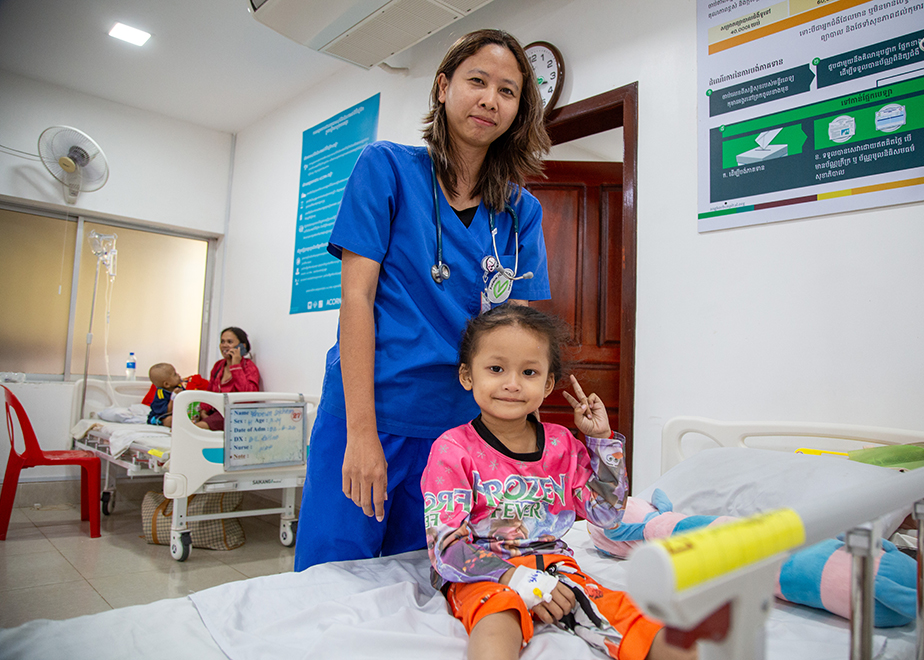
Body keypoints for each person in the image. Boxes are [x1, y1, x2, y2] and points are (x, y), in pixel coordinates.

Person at [294, 28, 553, 570]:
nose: (490, 99)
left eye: (508, 91)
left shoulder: (521, 212)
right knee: (333, 578)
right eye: (477, 81)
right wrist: (362, 435)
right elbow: (357, 301)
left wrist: (509, 448)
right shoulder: (385, 168)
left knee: (423, 578)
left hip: (456, 429)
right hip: (372, 407)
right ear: (442, 88)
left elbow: (519, 340)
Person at [422, 305, 695, 660]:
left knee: (645, 627)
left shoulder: (562, 445)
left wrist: (602, 442)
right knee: (497, 615)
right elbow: (446, 547)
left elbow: (606, 516)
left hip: (554, 567)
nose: (512, 383)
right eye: (496, 368)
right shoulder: (452, 449)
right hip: (482, 572)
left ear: (548, 383)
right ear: (467, 375)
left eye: (530, 371)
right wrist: (515, 580)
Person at [195, 327, 261, 431]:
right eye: (222, 341)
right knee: (174, 420)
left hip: (235, 415)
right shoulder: (218, 365)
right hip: (215, 412)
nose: (224, 345)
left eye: (229, 342)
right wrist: (204, 410)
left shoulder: (249, 367)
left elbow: (248, 397)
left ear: (242, 346)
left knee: (197, 428)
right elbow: (210, 390)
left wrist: (236, 366)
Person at [146, 363, 185, 428]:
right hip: (162, 415)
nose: (178, 375)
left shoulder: (178, 386)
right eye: (175, 375)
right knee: (170, 420)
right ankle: (159, 421)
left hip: (177, 413)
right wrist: (174, 397)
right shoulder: (160, 394)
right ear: (167, 384)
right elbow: (168, 411)